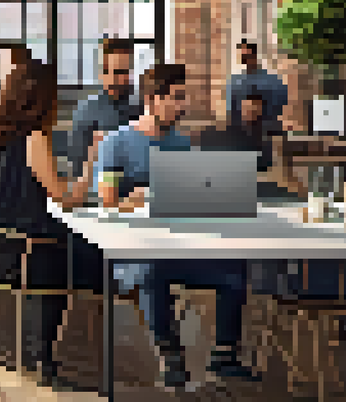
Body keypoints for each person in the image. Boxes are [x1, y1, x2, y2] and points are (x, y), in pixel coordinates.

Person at [93, 63, 259, 387]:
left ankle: (224, 357)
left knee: (234, 268)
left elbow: (192, 199)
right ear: (153, 100)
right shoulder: (116, 142)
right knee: (152, 269)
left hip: (179, 246)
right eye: (177, 97)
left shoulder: (183, 144)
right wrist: (136, 200)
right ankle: (170, 356)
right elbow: (106, 201)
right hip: (135, 252)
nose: (183, 105)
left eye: (184, 97)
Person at [0, 49, 104, 389]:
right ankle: (49, 356)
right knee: (102, 257)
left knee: (73, 248)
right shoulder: (35, 138)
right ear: (42, 99)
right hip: (30, 253)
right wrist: (92, 161)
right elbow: (66, 199)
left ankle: (46, 352)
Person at [68, 37, 142, 176]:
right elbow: (78, 168)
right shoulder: (86, 111)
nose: (113, 79)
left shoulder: (144, 108)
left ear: (131, 72)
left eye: (121, 72)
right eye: (107, 71)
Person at [225, 40, 288, 138]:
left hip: (267, 130)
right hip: (242, 133)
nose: (244, 58)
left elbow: (281, 104)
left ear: (254, 55)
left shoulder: (272, 81)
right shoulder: (235, 82)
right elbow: (231, 111)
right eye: (242, 55)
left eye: (247, 54)